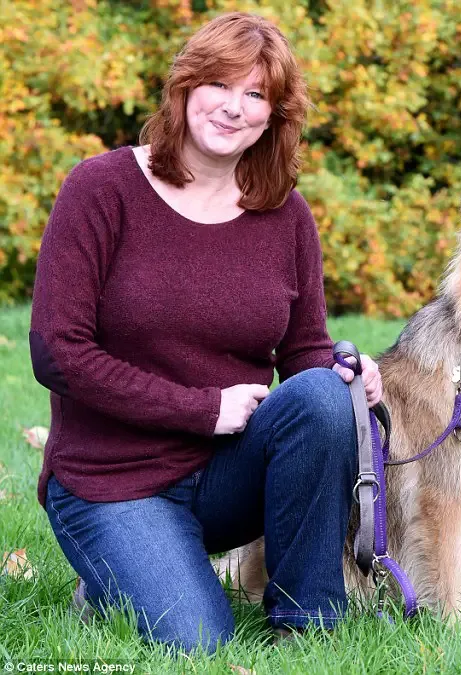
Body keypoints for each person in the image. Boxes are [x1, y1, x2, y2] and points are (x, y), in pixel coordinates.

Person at [29, 12, 382, 655]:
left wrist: (345, 372)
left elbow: (304, 351)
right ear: (186, 87)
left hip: (228, 475)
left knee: (325, 396)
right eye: (221, 84)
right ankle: (117, 577)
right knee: (200, 643)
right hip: (114, 482)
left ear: (273, 117)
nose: (234, 108)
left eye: (256, 95)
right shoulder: (101, 189)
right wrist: (202, 407)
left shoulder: (286, 215)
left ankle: (309, 628)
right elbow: (57, 350)